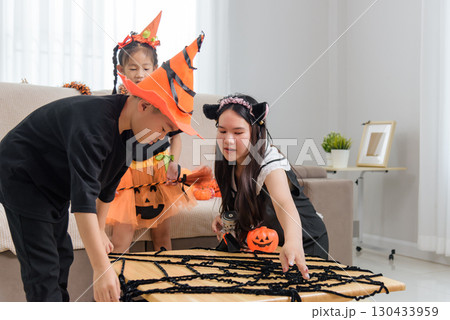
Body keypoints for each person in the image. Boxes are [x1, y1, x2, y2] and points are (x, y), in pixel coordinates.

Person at [0, 33, 204, 302]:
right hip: (21, 175)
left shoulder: (131, 133)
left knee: (63, 254)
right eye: (164, 129)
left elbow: (107, 188)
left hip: (54, 184)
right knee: (43, 267)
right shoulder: (94, 127)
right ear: (144, 105)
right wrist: (101, 267)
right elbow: (83, 202)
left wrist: (97, 231)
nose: (162, 138)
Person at [203, 94, 329, 280]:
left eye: (238, 133)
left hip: (303, 240)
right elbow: (246, 197)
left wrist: (293, 242)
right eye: (222, 131)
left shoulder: (270, 163)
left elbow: (284, 204)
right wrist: (228, 217)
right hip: (271, 244)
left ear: (255, 133)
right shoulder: (228, 161)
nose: (228, 140)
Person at [104, 12, 193, 253]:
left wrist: (173, 162)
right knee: (122, 236)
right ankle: (119, 282)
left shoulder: (163, 101)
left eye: (146, 67)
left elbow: (175, 137)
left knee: (162, 236)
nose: (140, 73)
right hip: (127, 171)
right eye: (133, 68)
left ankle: (165, 282)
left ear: (155, 68)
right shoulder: (118, 103)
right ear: (121, 69)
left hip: (158, 169)